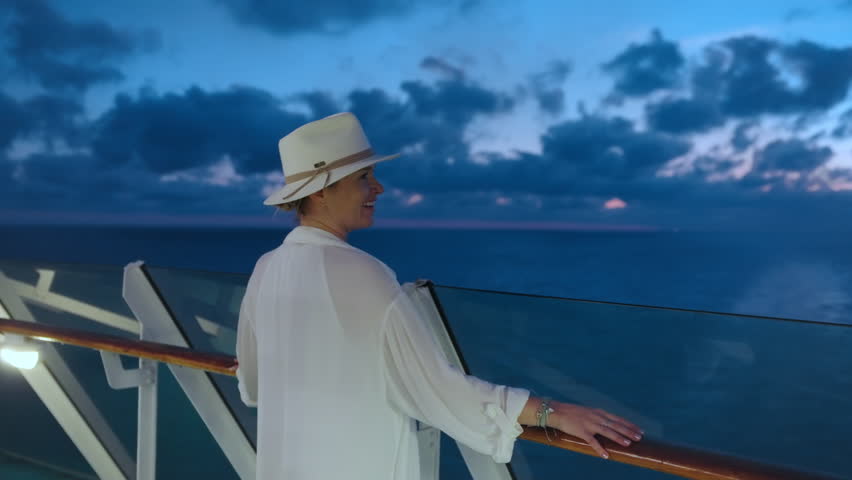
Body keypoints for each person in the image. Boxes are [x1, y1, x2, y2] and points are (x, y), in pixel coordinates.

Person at [236, 112, 643, 479]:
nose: (378, 188)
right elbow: (438, 388)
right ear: (321, 192)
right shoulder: (362, 272)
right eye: (363, 177)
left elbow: (252, 384)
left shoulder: (265, 268)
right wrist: (551, 412)